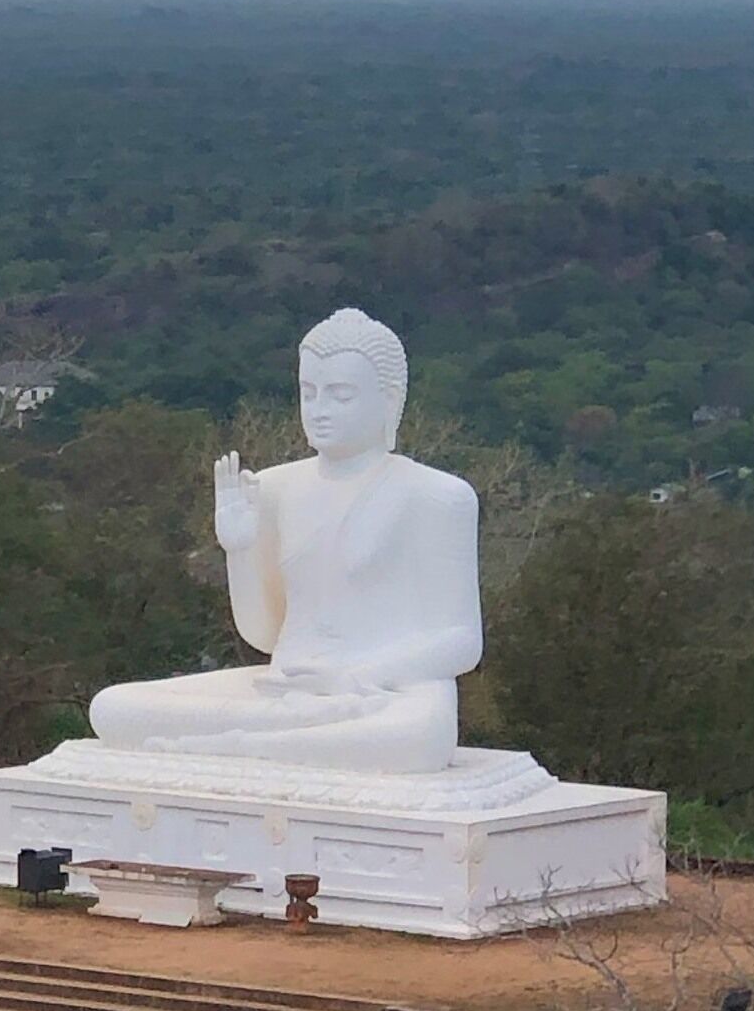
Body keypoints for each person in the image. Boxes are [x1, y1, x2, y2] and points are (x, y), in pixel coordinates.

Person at [89, 309, 481, 775]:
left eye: (341, 395)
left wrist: (354, 677)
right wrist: (238, 551)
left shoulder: (436, 495)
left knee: (416, 735)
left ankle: (239, 746)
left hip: (384, 693)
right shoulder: (273, 489)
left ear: (389, 400)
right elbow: (264, 635)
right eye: (308, 392)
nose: (319, 409)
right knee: (112, 708)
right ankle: (269, 743)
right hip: (284, 688)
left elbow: (461, 641)